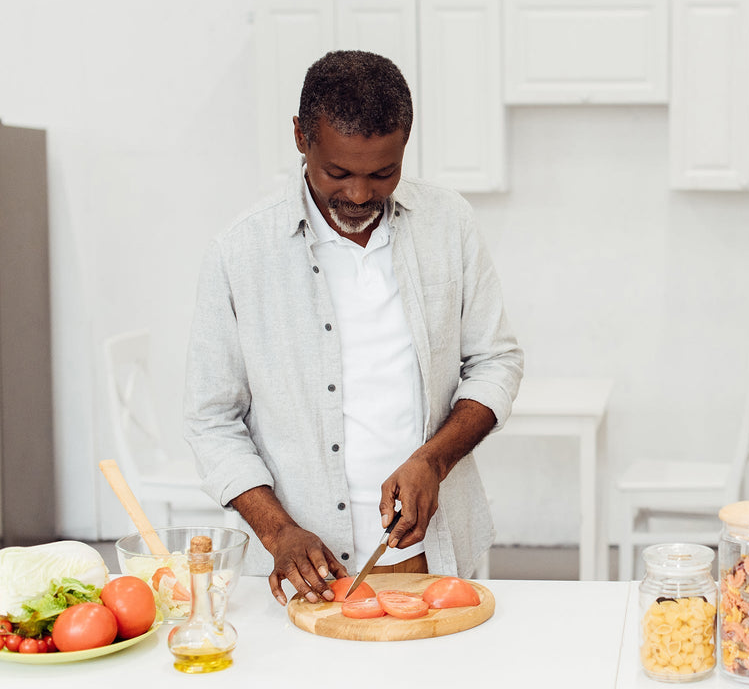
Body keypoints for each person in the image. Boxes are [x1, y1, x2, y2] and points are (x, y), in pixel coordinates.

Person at [183, 50, 523, 605]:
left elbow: (496, 361)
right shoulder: (239, 254)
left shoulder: (449, 223)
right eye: (337, 172)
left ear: (406, 144)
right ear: (300, 137)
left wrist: (432, 461)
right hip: (302, 566)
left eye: (382, 173)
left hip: (429, 554)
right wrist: (277, 532)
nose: (360, 195)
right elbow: (212, 420)